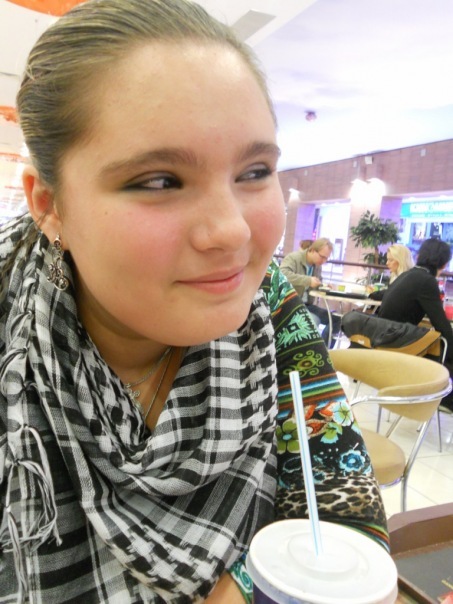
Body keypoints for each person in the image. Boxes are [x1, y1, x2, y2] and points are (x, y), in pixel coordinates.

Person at [0, 1, 388, 602]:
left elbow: (349, 507)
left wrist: (248, 587)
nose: (232, 231)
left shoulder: (271, 307)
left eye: (254, 171)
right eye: (160, 181)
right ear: (49, 205)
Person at [378, 238, 453, 411]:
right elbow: (441, 324)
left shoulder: (408, 275)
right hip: (397, 342)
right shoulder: (426, 281)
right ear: (444, 264)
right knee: (446, 346)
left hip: (385, 337)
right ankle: (443, 399)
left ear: (420, 255)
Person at [280, 237, 341, 347]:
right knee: (312, 321)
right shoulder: (294, 258)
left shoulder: (316, 266)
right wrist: (307, 280)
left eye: (326, 259)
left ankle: (324, 350)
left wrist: (323, 285)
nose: (323, 261)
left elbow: (315, 282)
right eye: (322, 257)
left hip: (307, 305)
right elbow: (282, 274)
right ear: (312, 250)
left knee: (337, 320)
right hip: (289, 304)